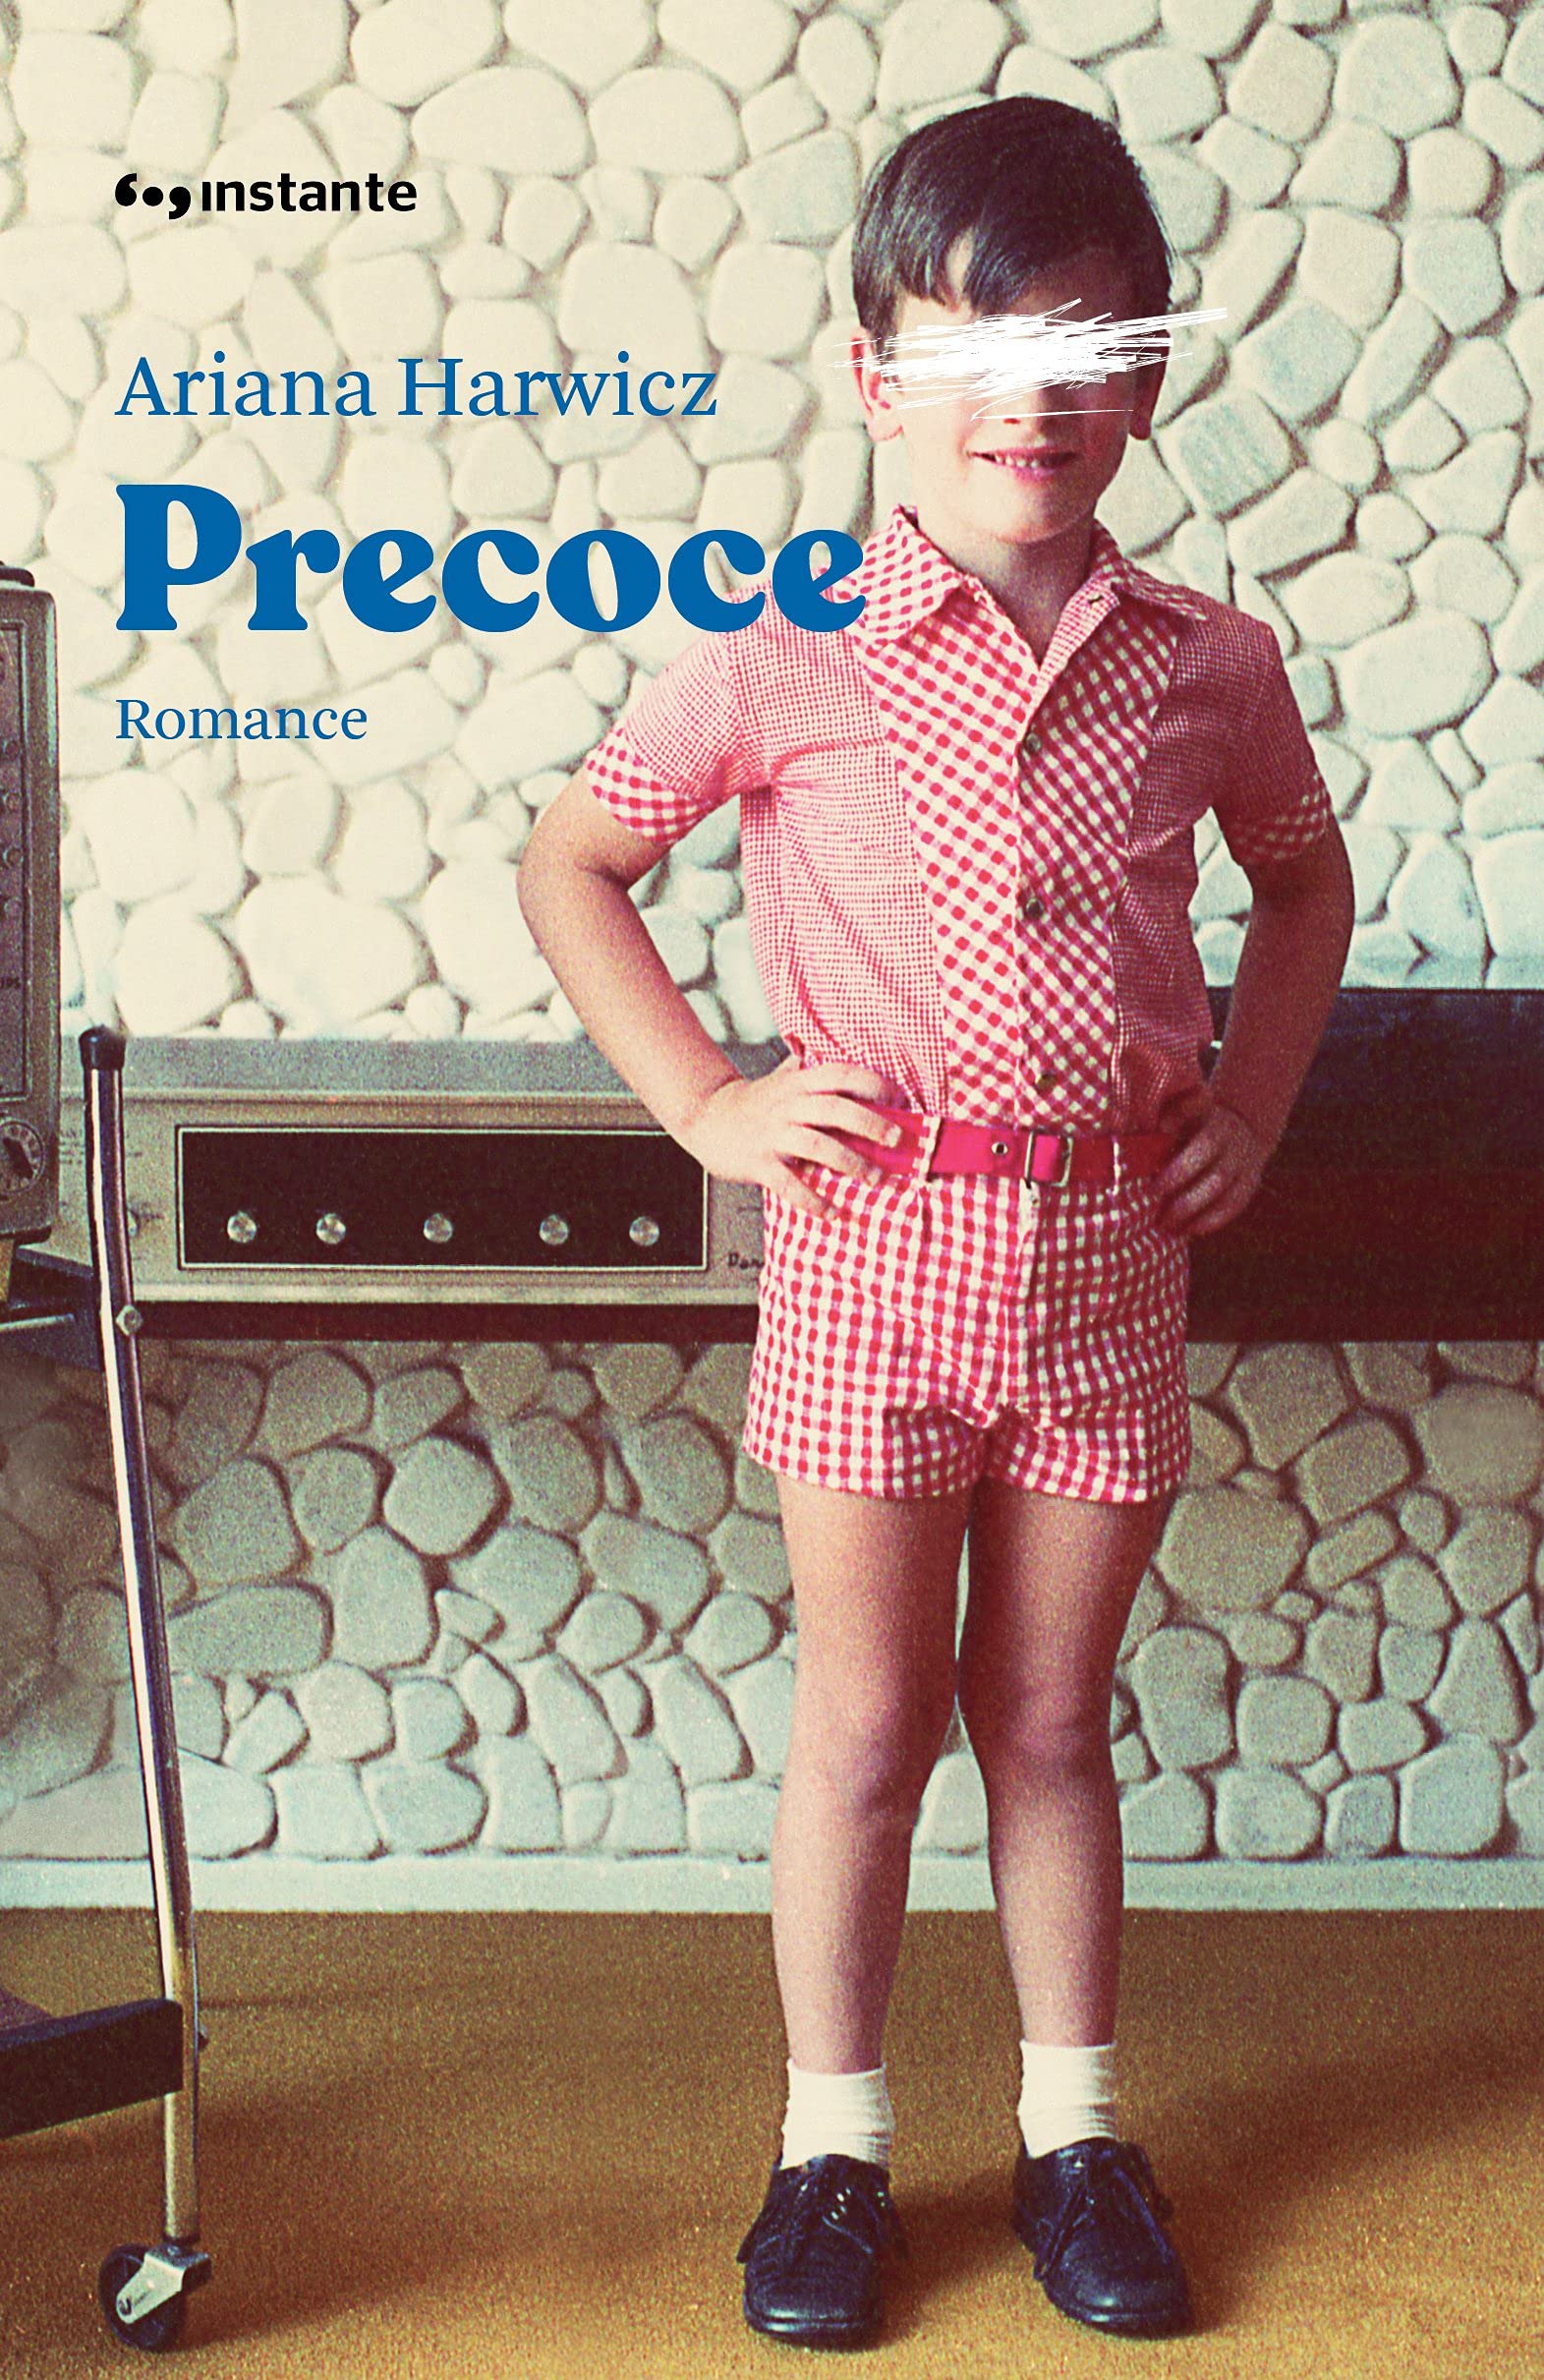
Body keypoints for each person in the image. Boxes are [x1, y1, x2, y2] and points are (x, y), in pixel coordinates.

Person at [517, 95, 1354, 2351]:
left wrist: (1255, 1105)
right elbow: (572, 860)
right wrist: (705, 1096)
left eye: (1089, 345)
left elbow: (1303, 883)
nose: (1034, 398)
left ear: (1147, 374)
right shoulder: (782, 642)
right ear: (875, 373)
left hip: (1107, 1273)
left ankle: (1079, 2133)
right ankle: (833, 2147)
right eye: (978, 348)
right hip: (871, 1269)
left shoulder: (1208, 660)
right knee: (871, 1727)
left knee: (1052, 1720)